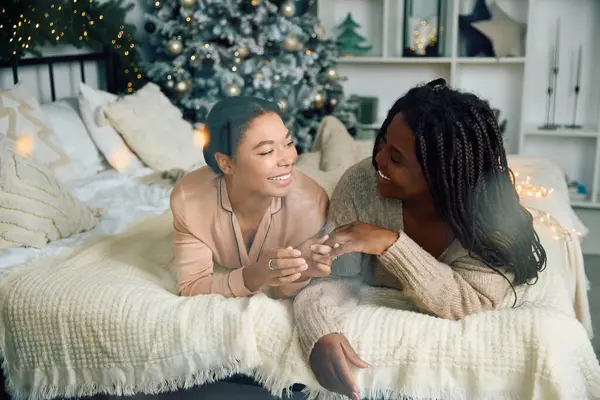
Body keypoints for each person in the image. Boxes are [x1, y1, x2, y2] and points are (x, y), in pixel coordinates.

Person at [295, 79, 548, 400]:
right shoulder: (361, 183)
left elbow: (470, 303)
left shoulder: (491, 217)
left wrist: (389, 243)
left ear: (442, 174)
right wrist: (319, 328)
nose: (379, 160)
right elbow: (333, 276)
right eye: (382, 142)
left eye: (396, 157)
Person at [170, 96, 331, 299]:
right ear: (226, 164)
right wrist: (255, 275)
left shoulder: (311, 205)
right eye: (267, 151)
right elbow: (191, 287)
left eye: (288, 143)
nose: (289, 159)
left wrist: (302, 272)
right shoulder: (189, 202)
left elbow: (288, 291)